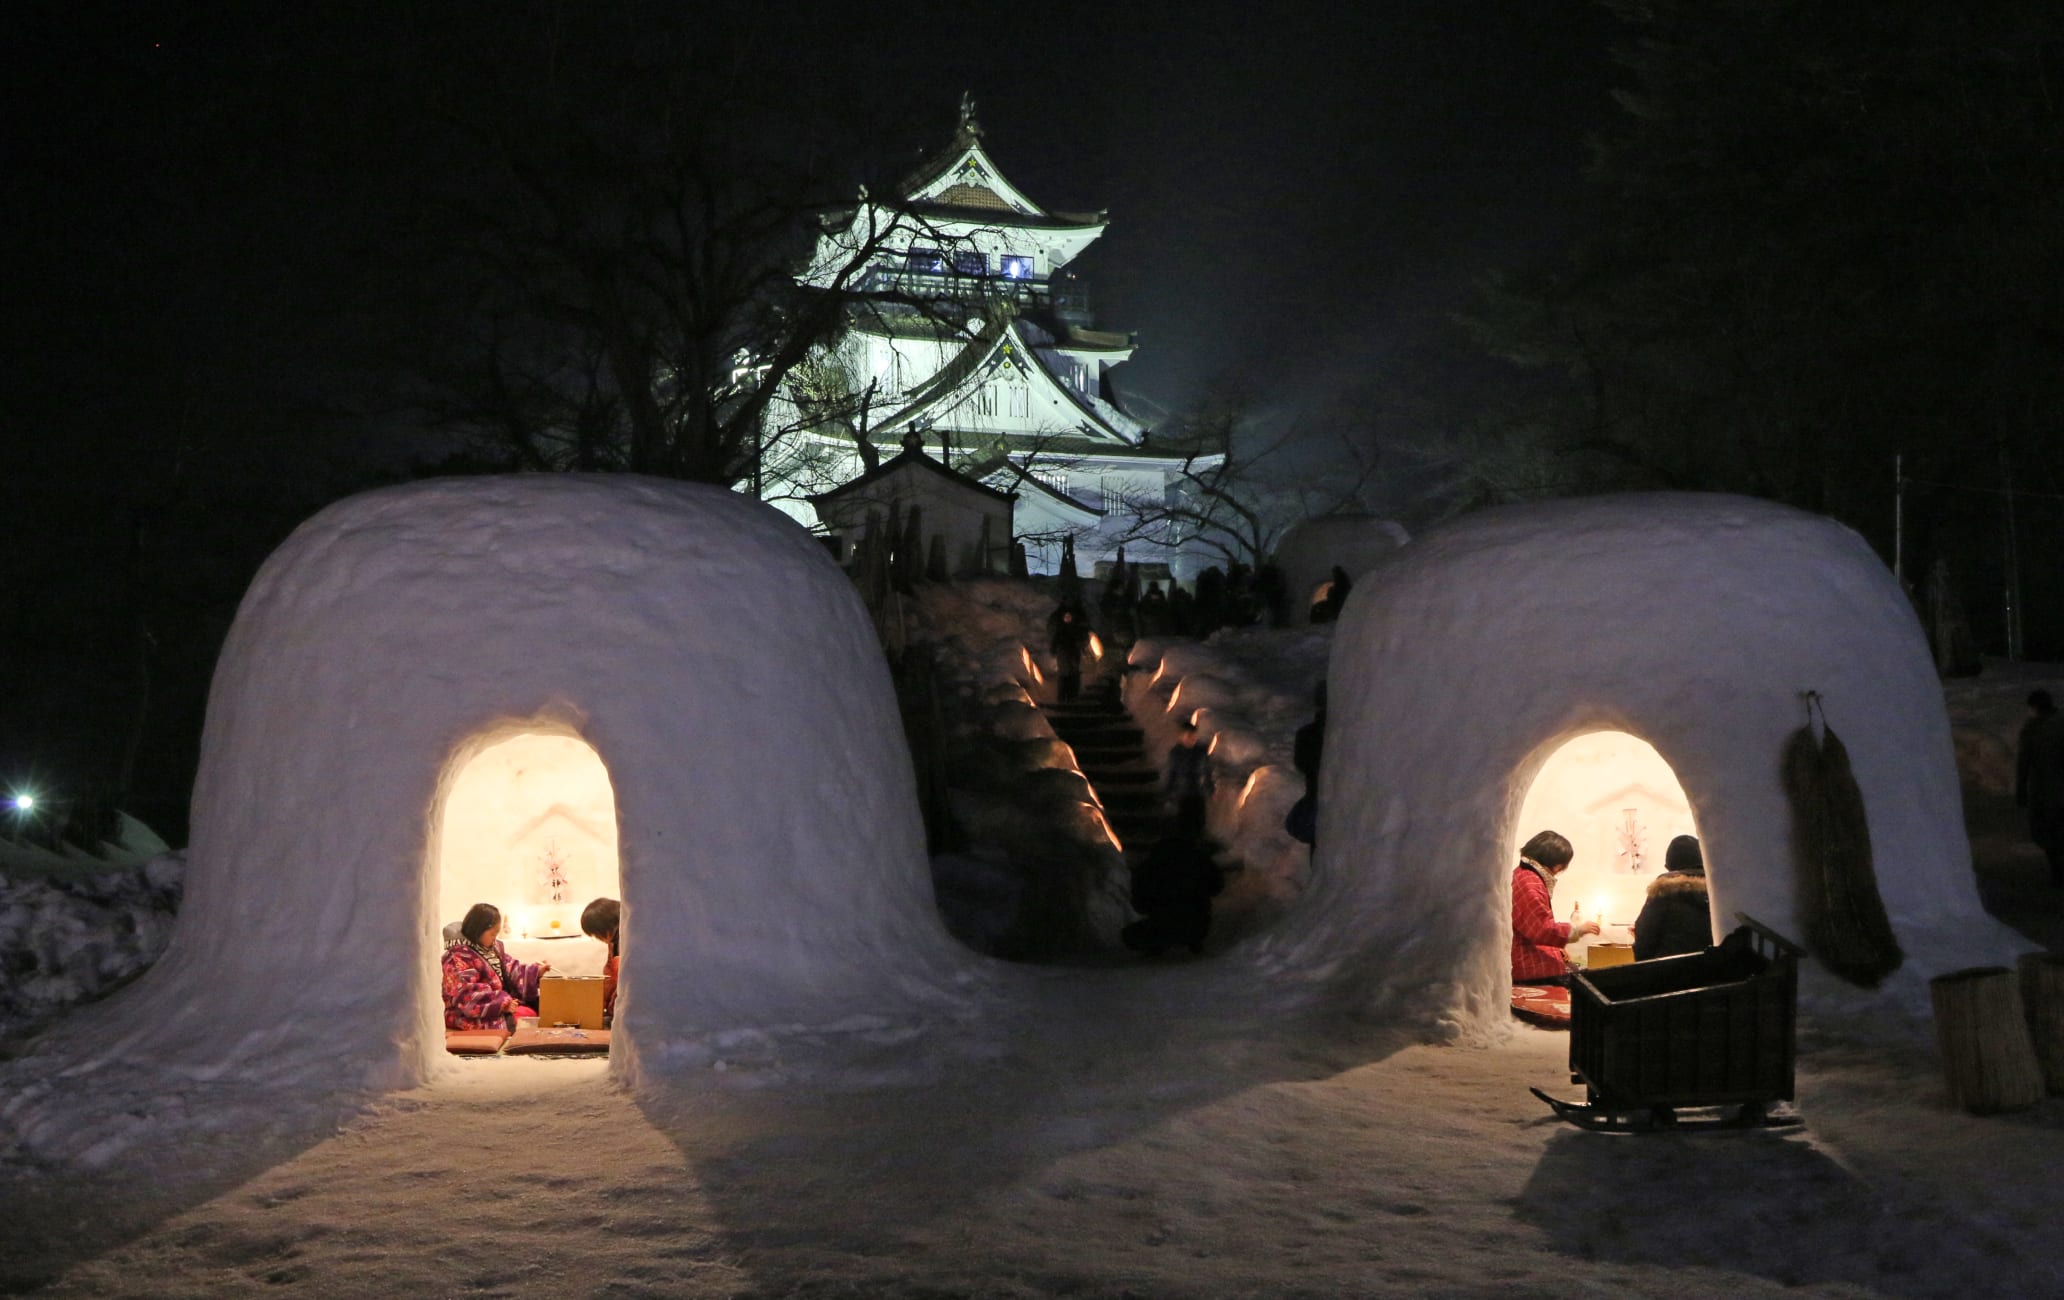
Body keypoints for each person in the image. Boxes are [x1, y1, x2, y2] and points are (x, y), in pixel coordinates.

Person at [441, 902, 549, 1031]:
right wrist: (502, 1003)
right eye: (492, 934)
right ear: (478, 930)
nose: (495, 938)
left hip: (499, 1005)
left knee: (540, 1007)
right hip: (468, 1013)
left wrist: (535, 972)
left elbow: (511, 967)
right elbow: (467, 994)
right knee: (522, 1018)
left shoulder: (493, 949)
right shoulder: (458, 957)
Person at [1511, 830, 1598, 986]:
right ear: (1557, 865)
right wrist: (1577, 930)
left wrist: (1556, 949)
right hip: (1530, 967)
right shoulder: (1529, 883)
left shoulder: (1524, 875)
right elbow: (1541, 929)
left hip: (1527, 958)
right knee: (1590, 986)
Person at [1122, 828, 1224, 955]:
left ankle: (1157, 945)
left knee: (1129, 935)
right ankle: (1193, 942)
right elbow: (1217, 886)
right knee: (1190, 923)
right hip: (1196, 925)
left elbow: (1139, 903)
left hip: (1162, 926)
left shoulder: (1151, 866)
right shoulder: (1199, 860)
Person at [1633, 835, 1711, 960]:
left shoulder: (1663, 894)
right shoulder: (1716, 895)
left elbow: (1644, 943)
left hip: (1670, 973)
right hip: (1715, 974)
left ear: (1669, 866)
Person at [2017, 689, 2064, 887]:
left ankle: (2058, 872)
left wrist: (2021, 787)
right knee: (2053, 832)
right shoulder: (2050, 725)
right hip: (2048, 789)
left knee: (2049, 832)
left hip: (2045, 790)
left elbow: (2024, 761)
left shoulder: (2035, 728)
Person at [1162, 718, 1214, 837]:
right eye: (1189, 735)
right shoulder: (1176, 753)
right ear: (1182, 736)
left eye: (1194, 736)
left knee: (1198, 824)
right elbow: (1172, 773)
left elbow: (1207, 771)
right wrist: (1168, 793)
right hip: (1182, 795)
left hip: (1197, 793)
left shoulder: (1200, 752)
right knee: (1184, 825)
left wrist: (1209, 788)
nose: (1192, 739)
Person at [581, 896, 622, 1026]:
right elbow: (609, 977)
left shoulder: (629, 937)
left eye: (597, 933)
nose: (598, 938)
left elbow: (624, 978)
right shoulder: (614, 942)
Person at [1048, 602, 1091, 702]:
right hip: (1064, 653)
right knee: (1064, 674)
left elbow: (1083, 637)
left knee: (1073, 673)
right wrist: (1054, 648)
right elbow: (1056, 639)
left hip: (1072, 652)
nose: (1067, 618)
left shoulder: (1075, 628)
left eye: (1069, 616)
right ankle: (1063, 697)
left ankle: (1072, 696)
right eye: (1066, 616)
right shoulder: (1061, 630)